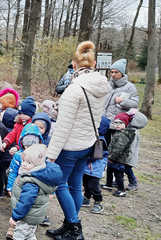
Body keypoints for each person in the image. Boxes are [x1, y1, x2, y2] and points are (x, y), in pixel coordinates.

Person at [45, 41, 111, 240]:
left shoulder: (73, 90)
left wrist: (51, 156)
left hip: (71, 146)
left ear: (74, 64)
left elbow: (63, 127)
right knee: (74, 185)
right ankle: (69, 224)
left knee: (59, 184)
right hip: (88, 144)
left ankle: (74, 228)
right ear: (94, 64)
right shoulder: (99, 86)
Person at [10, 144, 62, 240]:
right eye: (24, 160)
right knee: (29, 234)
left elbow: (26, 202)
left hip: (26, 217)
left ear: (37, 164)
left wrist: (15, 216)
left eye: (29, 162)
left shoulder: (31, 182)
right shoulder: (38, 175)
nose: (24, 164)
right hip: (33, 216)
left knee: (19, 236)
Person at [102, 58, 139, 144]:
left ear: (122, 73)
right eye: (112, 72)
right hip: (105, 122)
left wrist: (123, 101)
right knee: (104, 147)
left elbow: (135, 103)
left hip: (119, 123)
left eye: (116, 72)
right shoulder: (107, 85)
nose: (113, 74)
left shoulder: (130, 87)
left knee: (116, 149)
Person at [81, 115, 110, 214]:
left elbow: (96, 155)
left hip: (94, 167)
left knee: (93, 185)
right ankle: (87, 197)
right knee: (85, 182)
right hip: (87, 166)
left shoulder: (100, 140)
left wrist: (82, 155)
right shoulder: (92, 137)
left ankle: (98, 201)